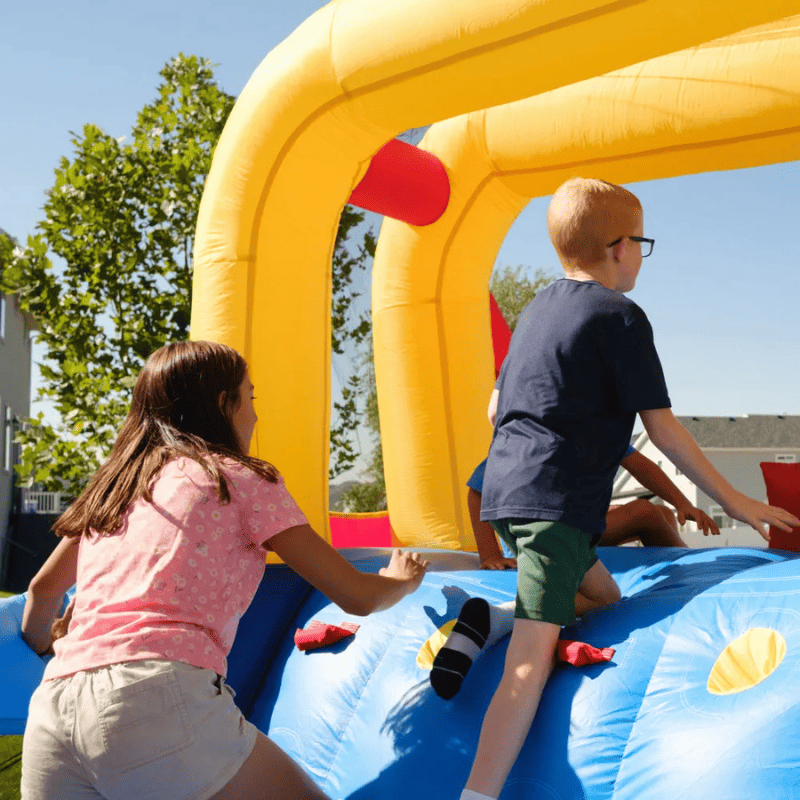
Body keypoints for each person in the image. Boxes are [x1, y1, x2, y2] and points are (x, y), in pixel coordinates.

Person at [452, 178, 800, 800]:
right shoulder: (620, 316)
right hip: (554, 509)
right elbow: (663, 429)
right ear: (618, 247)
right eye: (641, 242)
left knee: (604, 595)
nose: (641, 254)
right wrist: (735, 500)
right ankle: (477, 793)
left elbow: (494, 408)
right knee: (529, 668)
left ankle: (494, 617)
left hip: (504, 494)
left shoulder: (536, 310)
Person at [20, 340, 428, 800]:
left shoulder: (115, 487)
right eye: (250, 397)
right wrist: (400, 580)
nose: (255, 414)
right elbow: (358, 596)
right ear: (223, 403)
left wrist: (46, 649)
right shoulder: (238, 479)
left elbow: (42, 590)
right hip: (151, 695)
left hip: (53, 710)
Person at [466, 446, 719, 570]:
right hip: (543, 535)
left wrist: (682, 503)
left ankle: (668, 567)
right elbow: (478, 490)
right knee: (645, 512)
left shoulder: (598, 427)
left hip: (574, 524)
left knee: (662, 514)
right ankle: (691, 570)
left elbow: (642, 466)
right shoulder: (534, 434)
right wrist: (490, 555)